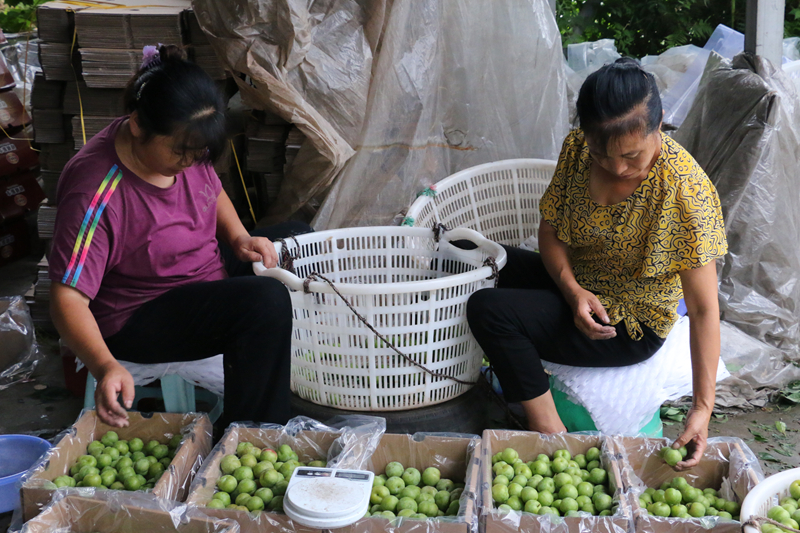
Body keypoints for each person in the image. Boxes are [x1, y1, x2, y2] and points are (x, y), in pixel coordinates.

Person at [467, 57, 727, 470]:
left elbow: (703, 309)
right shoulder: (577, 150)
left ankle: (551, 437)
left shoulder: (684, 192)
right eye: (602, 155)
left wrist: (702, 407)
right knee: (480, 260)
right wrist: (573, 291)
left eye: (631, 155)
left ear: (659, 124)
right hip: (581, 284)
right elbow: (552, 233)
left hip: (627, 322)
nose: (618, 168)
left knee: (489, 310)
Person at [49, 45, 309, 431]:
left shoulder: (183, 142)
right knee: (264, 303)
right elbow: (66, 300)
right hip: (140, 314)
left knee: (298, 238)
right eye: (180, 153)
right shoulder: (95, 192)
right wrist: (105, 366)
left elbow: (211, 190)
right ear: (137, 125)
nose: (189, 162)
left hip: (199, 270)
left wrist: (239, 237)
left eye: (199, 153)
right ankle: (255, 436)